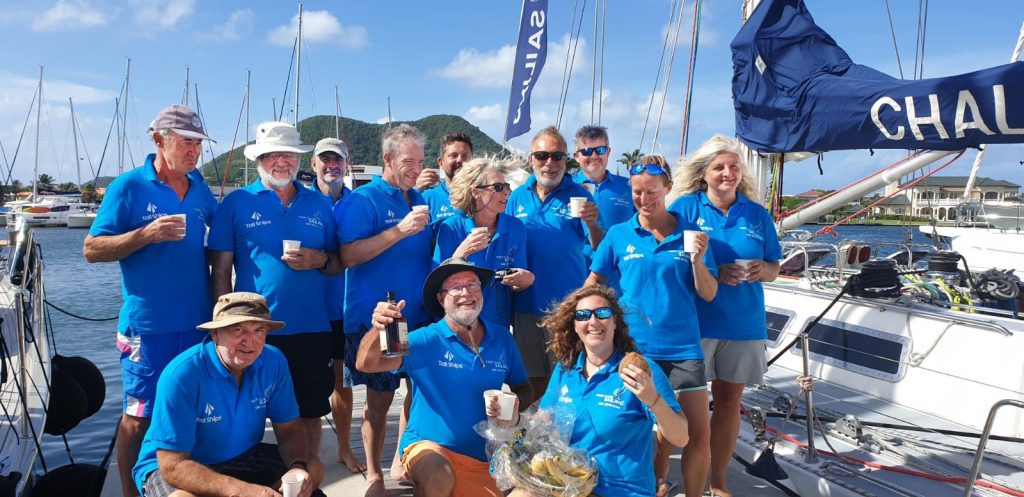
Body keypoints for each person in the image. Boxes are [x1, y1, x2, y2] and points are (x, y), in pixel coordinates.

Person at [83, 104, 217, 497]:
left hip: (196, 324)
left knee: (189, 409)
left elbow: (221, 236)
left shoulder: (200, 189)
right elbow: (92, 248)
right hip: (148, 326)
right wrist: (146, 234)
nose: (194, 152)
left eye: (198, 144)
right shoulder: (128, 187)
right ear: (158, 140)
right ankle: (129, 492)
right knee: (138, 415)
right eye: (187, 143)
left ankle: (184, 480)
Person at [209, 121, 342, 489]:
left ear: (299, 160)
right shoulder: (237, 203)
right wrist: (220, 328)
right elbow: (220, 271)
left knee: (310, 414)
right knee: (243, 416)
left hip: (311, 329)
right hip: (251, 331)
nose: (281, 162)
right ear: (260, 159)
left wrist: (318, 259)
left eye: (288, 155)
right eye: (273, 155)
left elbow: (337, 262)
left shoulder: (319, 203)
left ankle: (309, 486)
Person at [585, 154, 718, 497]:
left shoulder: (692, 235)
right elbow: (594, 282)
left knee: (697, 435)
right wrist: (575, 315)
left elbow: (708, 292)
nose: (644, 200)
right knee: (641, 431)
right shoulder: (617, 235)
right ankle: (655, 487)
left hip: (683, 350)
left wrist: (698, 260)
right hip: (634, 350)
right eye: (637, 192)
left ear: (668, 188)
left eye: (651, 192)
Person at [357, 258, 534, 497]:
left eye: (472, 284)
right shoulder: (425, 339)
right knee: (438, 476)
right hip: (429, 448)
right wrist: (377, 329)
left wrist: (512, 407)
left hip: (484, 458)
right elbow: (367, 364)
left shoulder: (502, 338)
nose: (466, 292)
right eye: (455, 287)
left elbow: (524, 387)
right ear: (441, 299)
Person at [668, 135, 782, 497]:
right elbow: (669, 261)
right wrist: (716, 272)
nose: (727, 173)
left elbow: (775, 267)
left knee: (730, 403)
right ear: (704, 174)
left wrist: (760, 269)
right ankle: (686, 482)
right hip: (696, 322)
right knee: (690, 408)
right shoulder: (685, 208)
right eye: (719, 167)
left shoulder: (757, 213)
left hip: (743, 323)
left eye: (733, 166)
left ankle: (719, 481)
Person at [132, 292, 320, 497]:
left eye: (259, 330)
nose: (249, 341)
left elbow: (290, 429)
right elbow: (172, 466)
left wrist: (297, 465)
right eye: (237, 330)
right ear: (215, 334)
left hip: (241, 454)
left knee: (312, 469)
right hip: (179, 464)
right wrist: (242, 491)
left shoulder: (274, 361)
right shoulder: (180, 376)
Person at [517, 285, 687, 497]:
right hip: (568, 482)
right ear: (575, 325)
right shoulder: (566, 368)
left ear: (615, 322)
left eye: (603, 313)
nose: (593, 321)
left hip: (621, 490)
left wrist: (653, 399)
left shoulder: (641, 370)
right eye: (583, 315)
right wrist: (511, 431)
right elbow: (544, 419)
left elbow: (681, 437)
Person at [338, 123, 433, 495]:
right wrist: (400, 231)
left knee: (415, 393)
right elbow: (348, 255)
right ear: (388, 159)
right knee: (379, 401)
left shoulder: (420, 198)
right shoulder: (364, 200)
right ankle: (375, 473)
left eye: (421, 161)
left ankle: (401, 459)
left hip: (420, 316)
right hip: (382, 320)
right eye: (408, 161)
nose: (415, 168)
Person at [506, 126, 603, 399]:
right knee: (531, 383)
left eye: (557, 156)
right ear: (531, 159)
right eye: (542, 155)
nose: (549, 163)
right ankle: (537, 441)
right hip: (524, 307)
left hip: (565, 308)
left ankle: (565, 442)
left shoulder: (580, 195)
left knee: (566, 383)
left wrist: (592, 223)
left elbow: (600, 247)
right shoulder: (517, 196)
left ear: (566, 160)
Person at [309, 137, 366, 473]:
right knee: (311, 388)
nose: (332, 166)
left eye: (338, 161)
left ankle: (343, 448)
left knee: (342, 386)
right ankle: (310, 454)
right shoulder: (302, 201)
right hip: (309, 311)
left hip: (347, 309)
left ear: (346, 166)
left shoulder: (357, 203)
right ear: (314, 164)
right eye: (325, 160)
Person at [434, 155, 534, 330]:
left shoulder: (515, 227)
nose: (506, 192)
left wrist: (526, 279)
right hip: (458, 327)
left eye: (507, 186)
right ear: (476, 192)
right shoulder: (451, 228)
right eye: (497, 187)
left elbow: (519, 281)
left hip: (498, 328)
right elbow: (436, 283)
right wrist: (461, 253)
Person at [572, 125, 634, 229]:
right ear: (576, 157)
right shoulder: (566, 187)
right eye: (587, 151)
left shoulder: (629, 186)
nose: (594, 156)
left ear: (608, 152)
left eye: (600, 150)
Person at [420, 132, 474, 232]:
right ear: (441, 162)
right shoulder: (427, 198)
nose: (459, 160)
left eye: (465, 156)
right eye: (453, 155)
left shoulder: (484, 195)